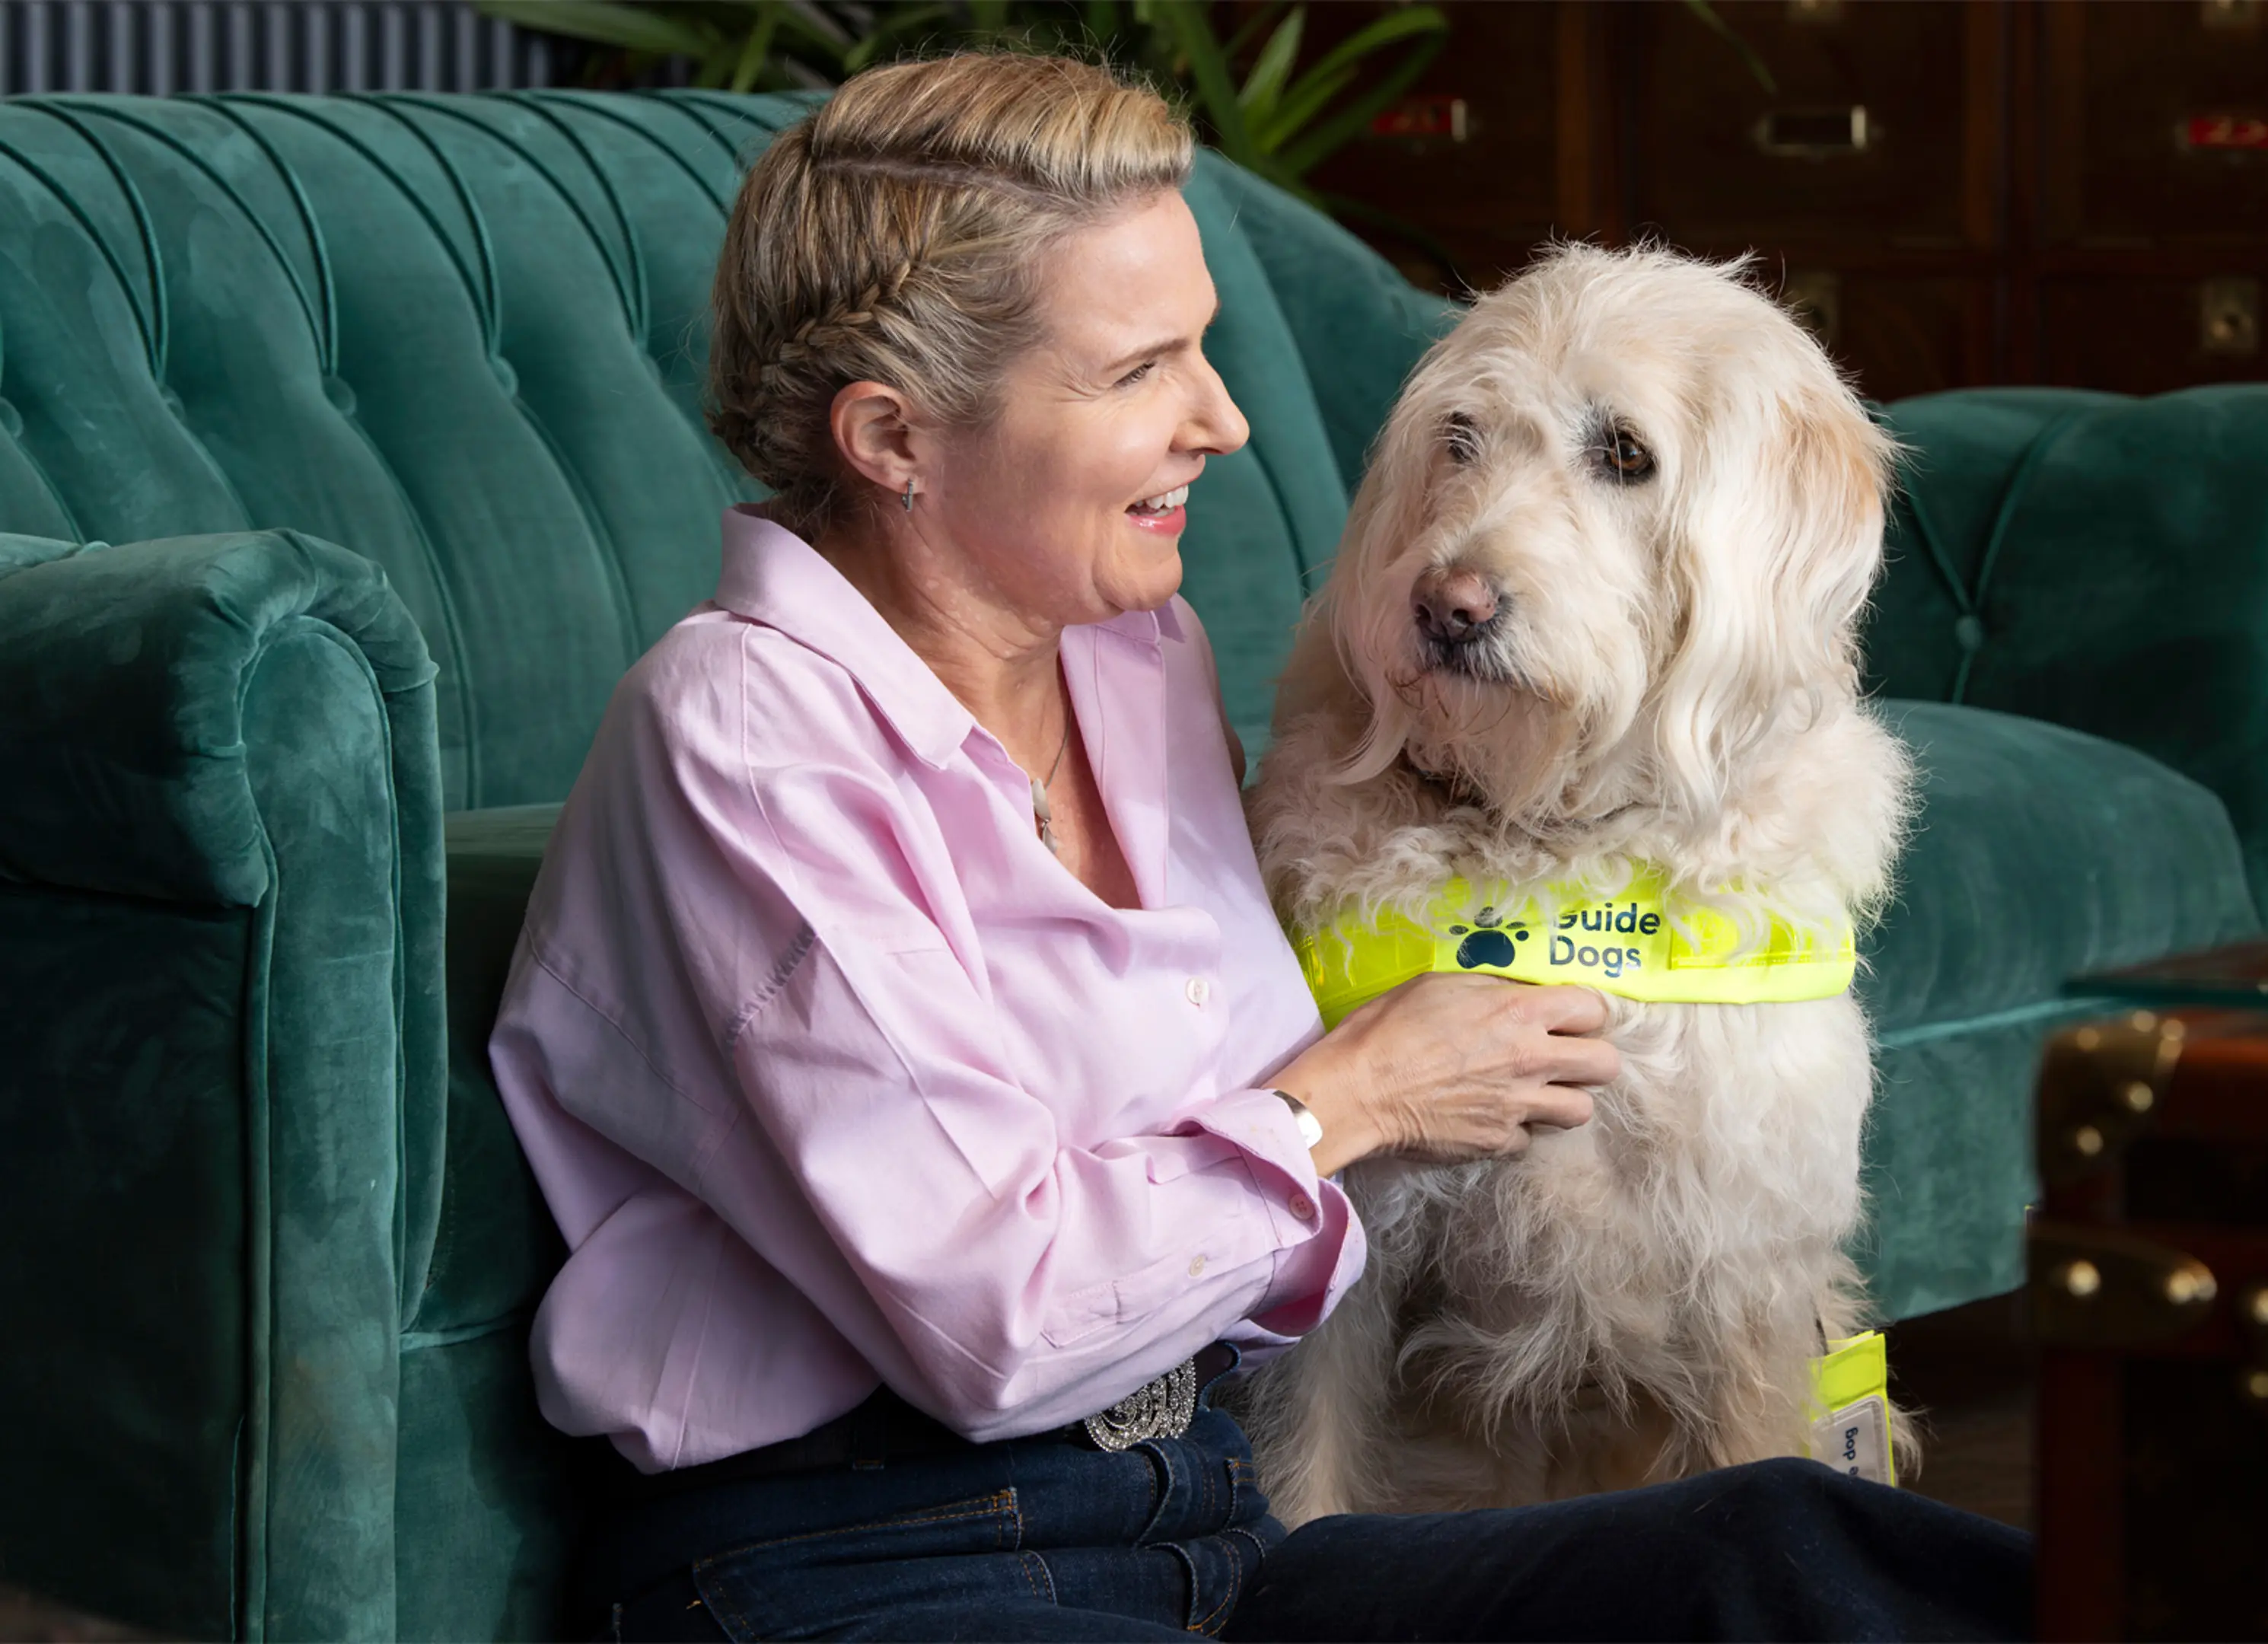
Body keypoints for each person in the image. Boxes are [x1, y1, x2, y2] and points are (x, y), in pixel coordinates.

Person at [491, 49, 2031, 1642]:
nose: (1223, 422)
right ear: (893, 438)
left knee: (1799, 1550)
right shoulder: (745, 736)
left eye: (1207, 351)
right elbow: (991, 1321)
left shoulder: (1133, 664)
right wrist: (1354, 1099)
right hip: (863, 1550)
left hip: (1203, 1523)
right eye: (1138, 371)